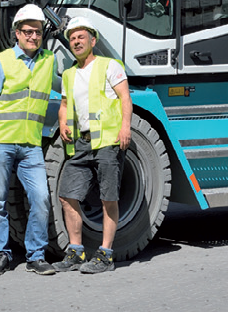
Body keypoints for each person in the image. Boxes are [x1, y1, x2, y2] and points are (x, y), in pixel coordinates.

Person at [0, 4, 57, 276]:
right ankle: (1, 253)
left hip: (31, 145)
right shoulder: (0, 62)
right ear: (17, 33)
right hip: (1, 143)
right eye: (27, 31)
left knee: (40, 198)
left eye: (37, 32)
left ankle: (36, 255)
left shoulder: (49, 60)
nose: (33, 37)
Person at [54, 15, 132, 274]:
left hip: (108, 141)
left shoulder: (109, 65)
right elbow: (65, 105)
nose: (76, 41)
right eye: (72, 38)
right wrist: (63, 123)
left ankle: (106, 255)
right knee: (67, 195)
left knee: (107, 198)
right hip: (81, 144)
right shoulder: (68, 74)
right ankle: (76, 252)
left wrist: (125, 128)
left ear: (93, 40)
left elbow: (125, 98)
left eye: (81, 37)